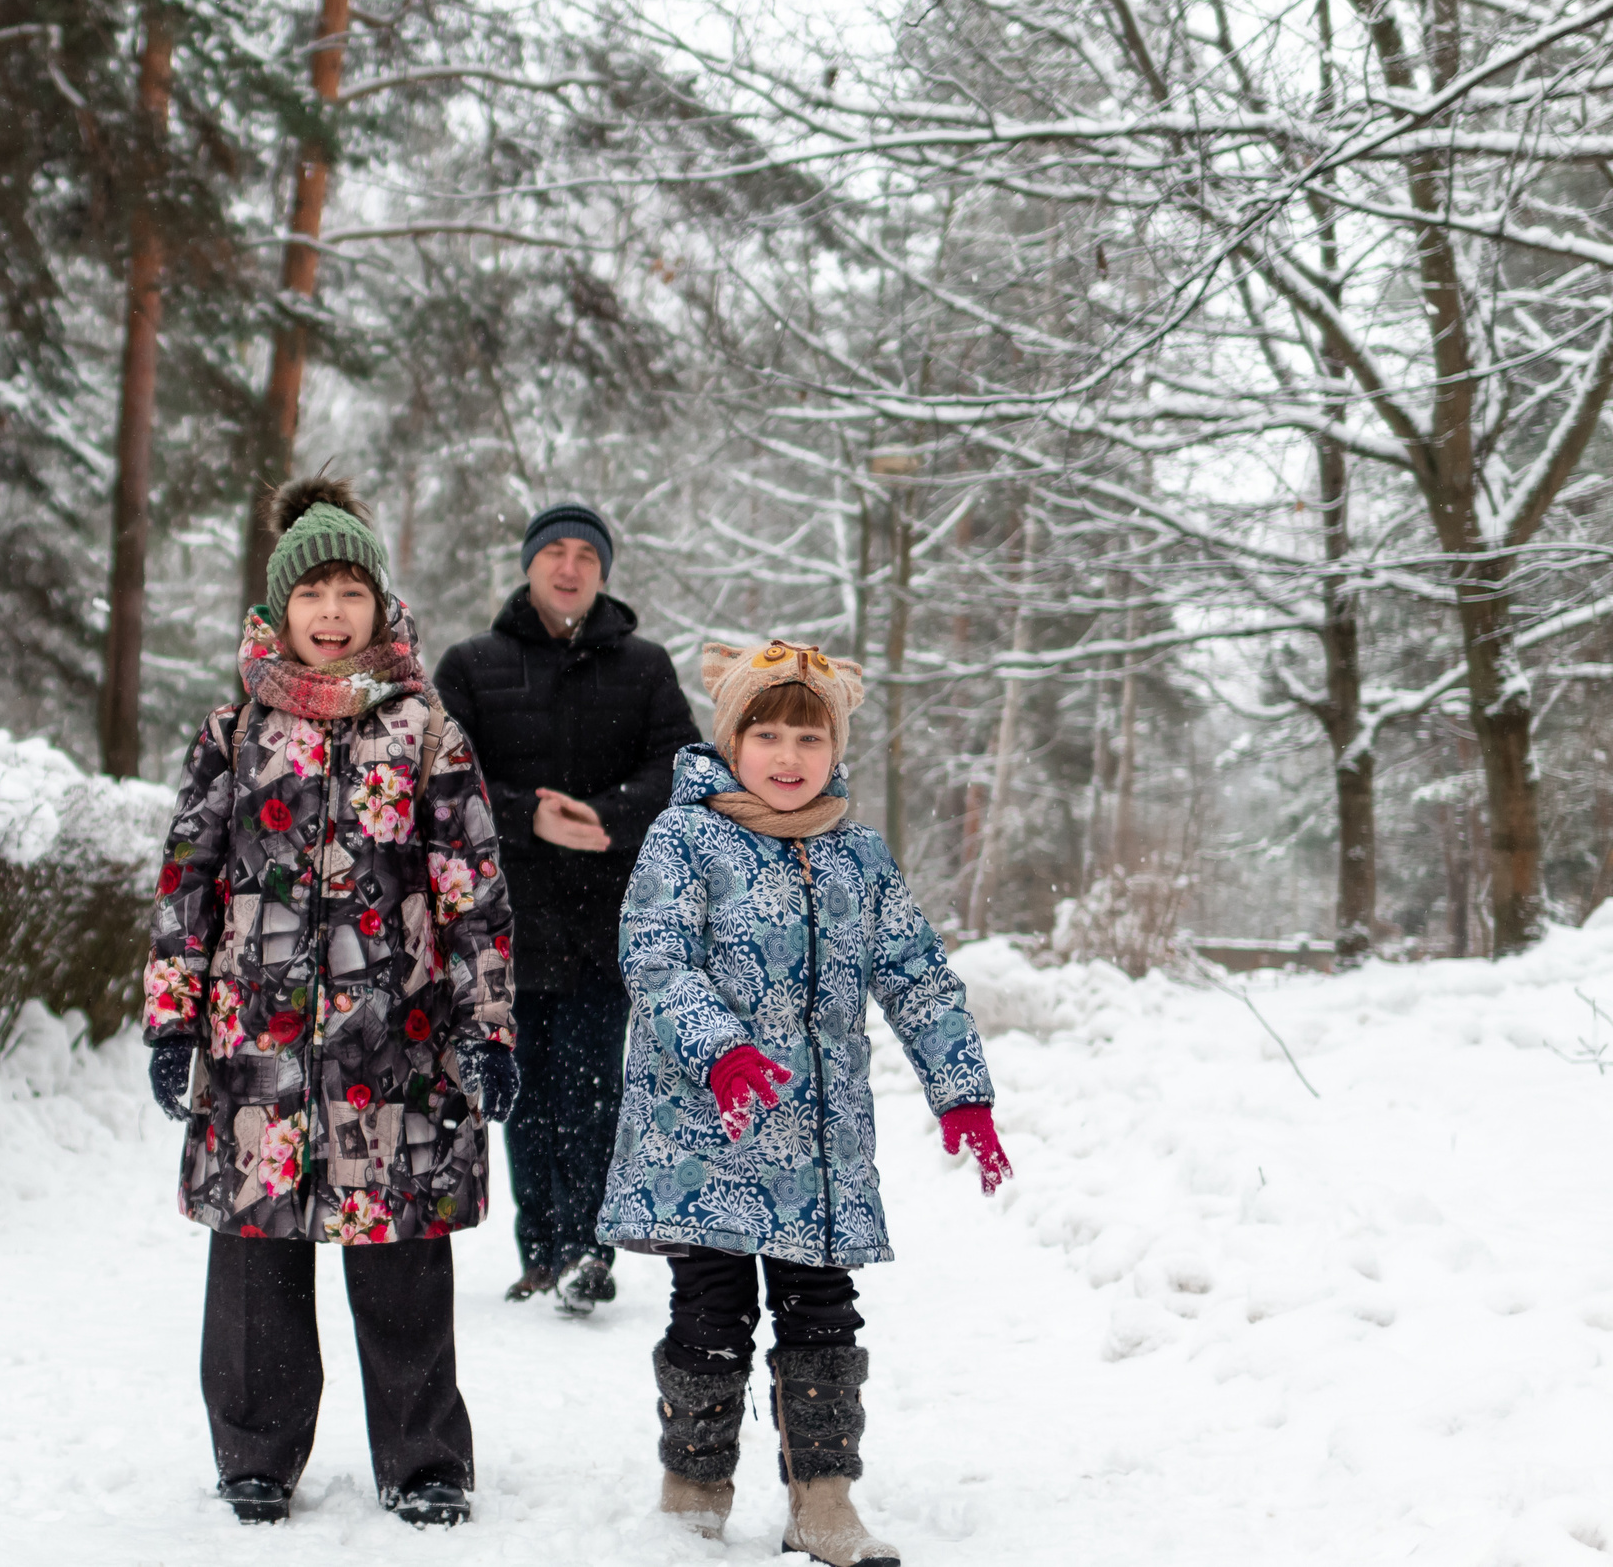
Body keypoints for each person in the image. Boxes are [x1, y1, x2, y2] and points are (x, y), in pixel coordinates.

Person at [140, 476, 518, 1530]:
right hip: (254, 1039)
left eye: (351, 591)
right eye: (313, 594)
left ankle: (424, 1457)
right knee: (257, 1253)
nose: (332, 613)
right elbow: (187, 884)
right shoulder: (233, 731)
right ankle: (256, 1450)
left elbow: (472, 891)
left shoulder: (425, 732)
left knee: (399, 1249)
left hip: (394, 1040)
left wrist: (485, 1027)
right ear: (278, 610)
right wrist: (172, 1020)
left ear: (378, 607)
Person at [595, 640, 1013, 1564]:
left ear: (836, 748)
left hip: (818, 1144)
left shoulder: (858, 855)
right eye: (768, 733)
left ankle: (823, 1500)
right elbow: (656, 957)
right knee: (709, 1311)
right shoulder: (687, 836)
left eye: (810, 736)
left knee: (824, 1309)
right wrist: (722, 1051)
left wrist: (962, 1092)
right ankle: (694, 1491)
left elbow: (918, 977)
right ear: (733, 739)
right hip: (706, 1132)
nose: (789, 755)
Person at [434, 501, 698, 1315]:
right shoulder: (472, 665)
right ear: (529, 565)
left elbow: (679, 767)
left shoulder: (646, 666)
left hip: (606, 915)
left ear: (605, 572)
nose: (571, 567)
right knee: (526, 1088)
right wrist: (527, 815)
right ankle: (540, 1250)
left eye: (588, 554)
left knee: (595, 1086)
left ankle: (590, 1247)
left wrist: (610, 817)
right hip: (502, 919)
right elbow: (440, 775)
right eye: (556, 552)